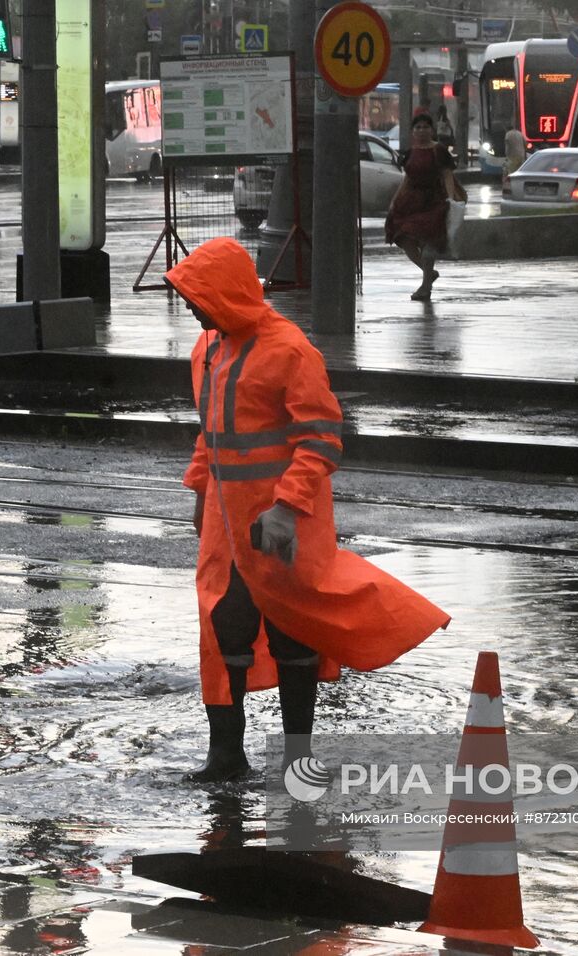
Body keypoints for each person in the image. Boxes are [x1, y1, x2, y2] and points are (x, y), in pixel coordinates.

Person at [165, 237, 450, 783]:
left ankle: (298, 756)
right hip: (227, 525)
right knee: (223, 626)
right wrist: (200, 492)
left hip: (282, 523)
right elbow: (212, 433)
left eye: (198, 297)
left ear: (225, 295)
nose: (192, 308)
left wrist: (286, 509)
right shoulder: (208, 349)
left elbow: (320, 438)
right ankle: (226, 754)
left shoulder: (289, 350)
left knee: (291, 630)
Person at [385, 113, 464, 302]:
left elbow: (447, 175)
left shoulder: (439, 150)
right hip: (410, 202)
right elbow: (407, 178)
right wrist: (394, 201)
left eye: (425, 127)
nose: (422, 131)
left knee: (430, 245)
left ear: (432, 130)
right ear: (413, 131)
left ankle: (425, 287)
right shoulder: (410, 152)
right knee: (403, 238)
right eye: (418, 128)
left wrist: (450, 198)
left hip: (434, 202)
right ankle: (428, 273)